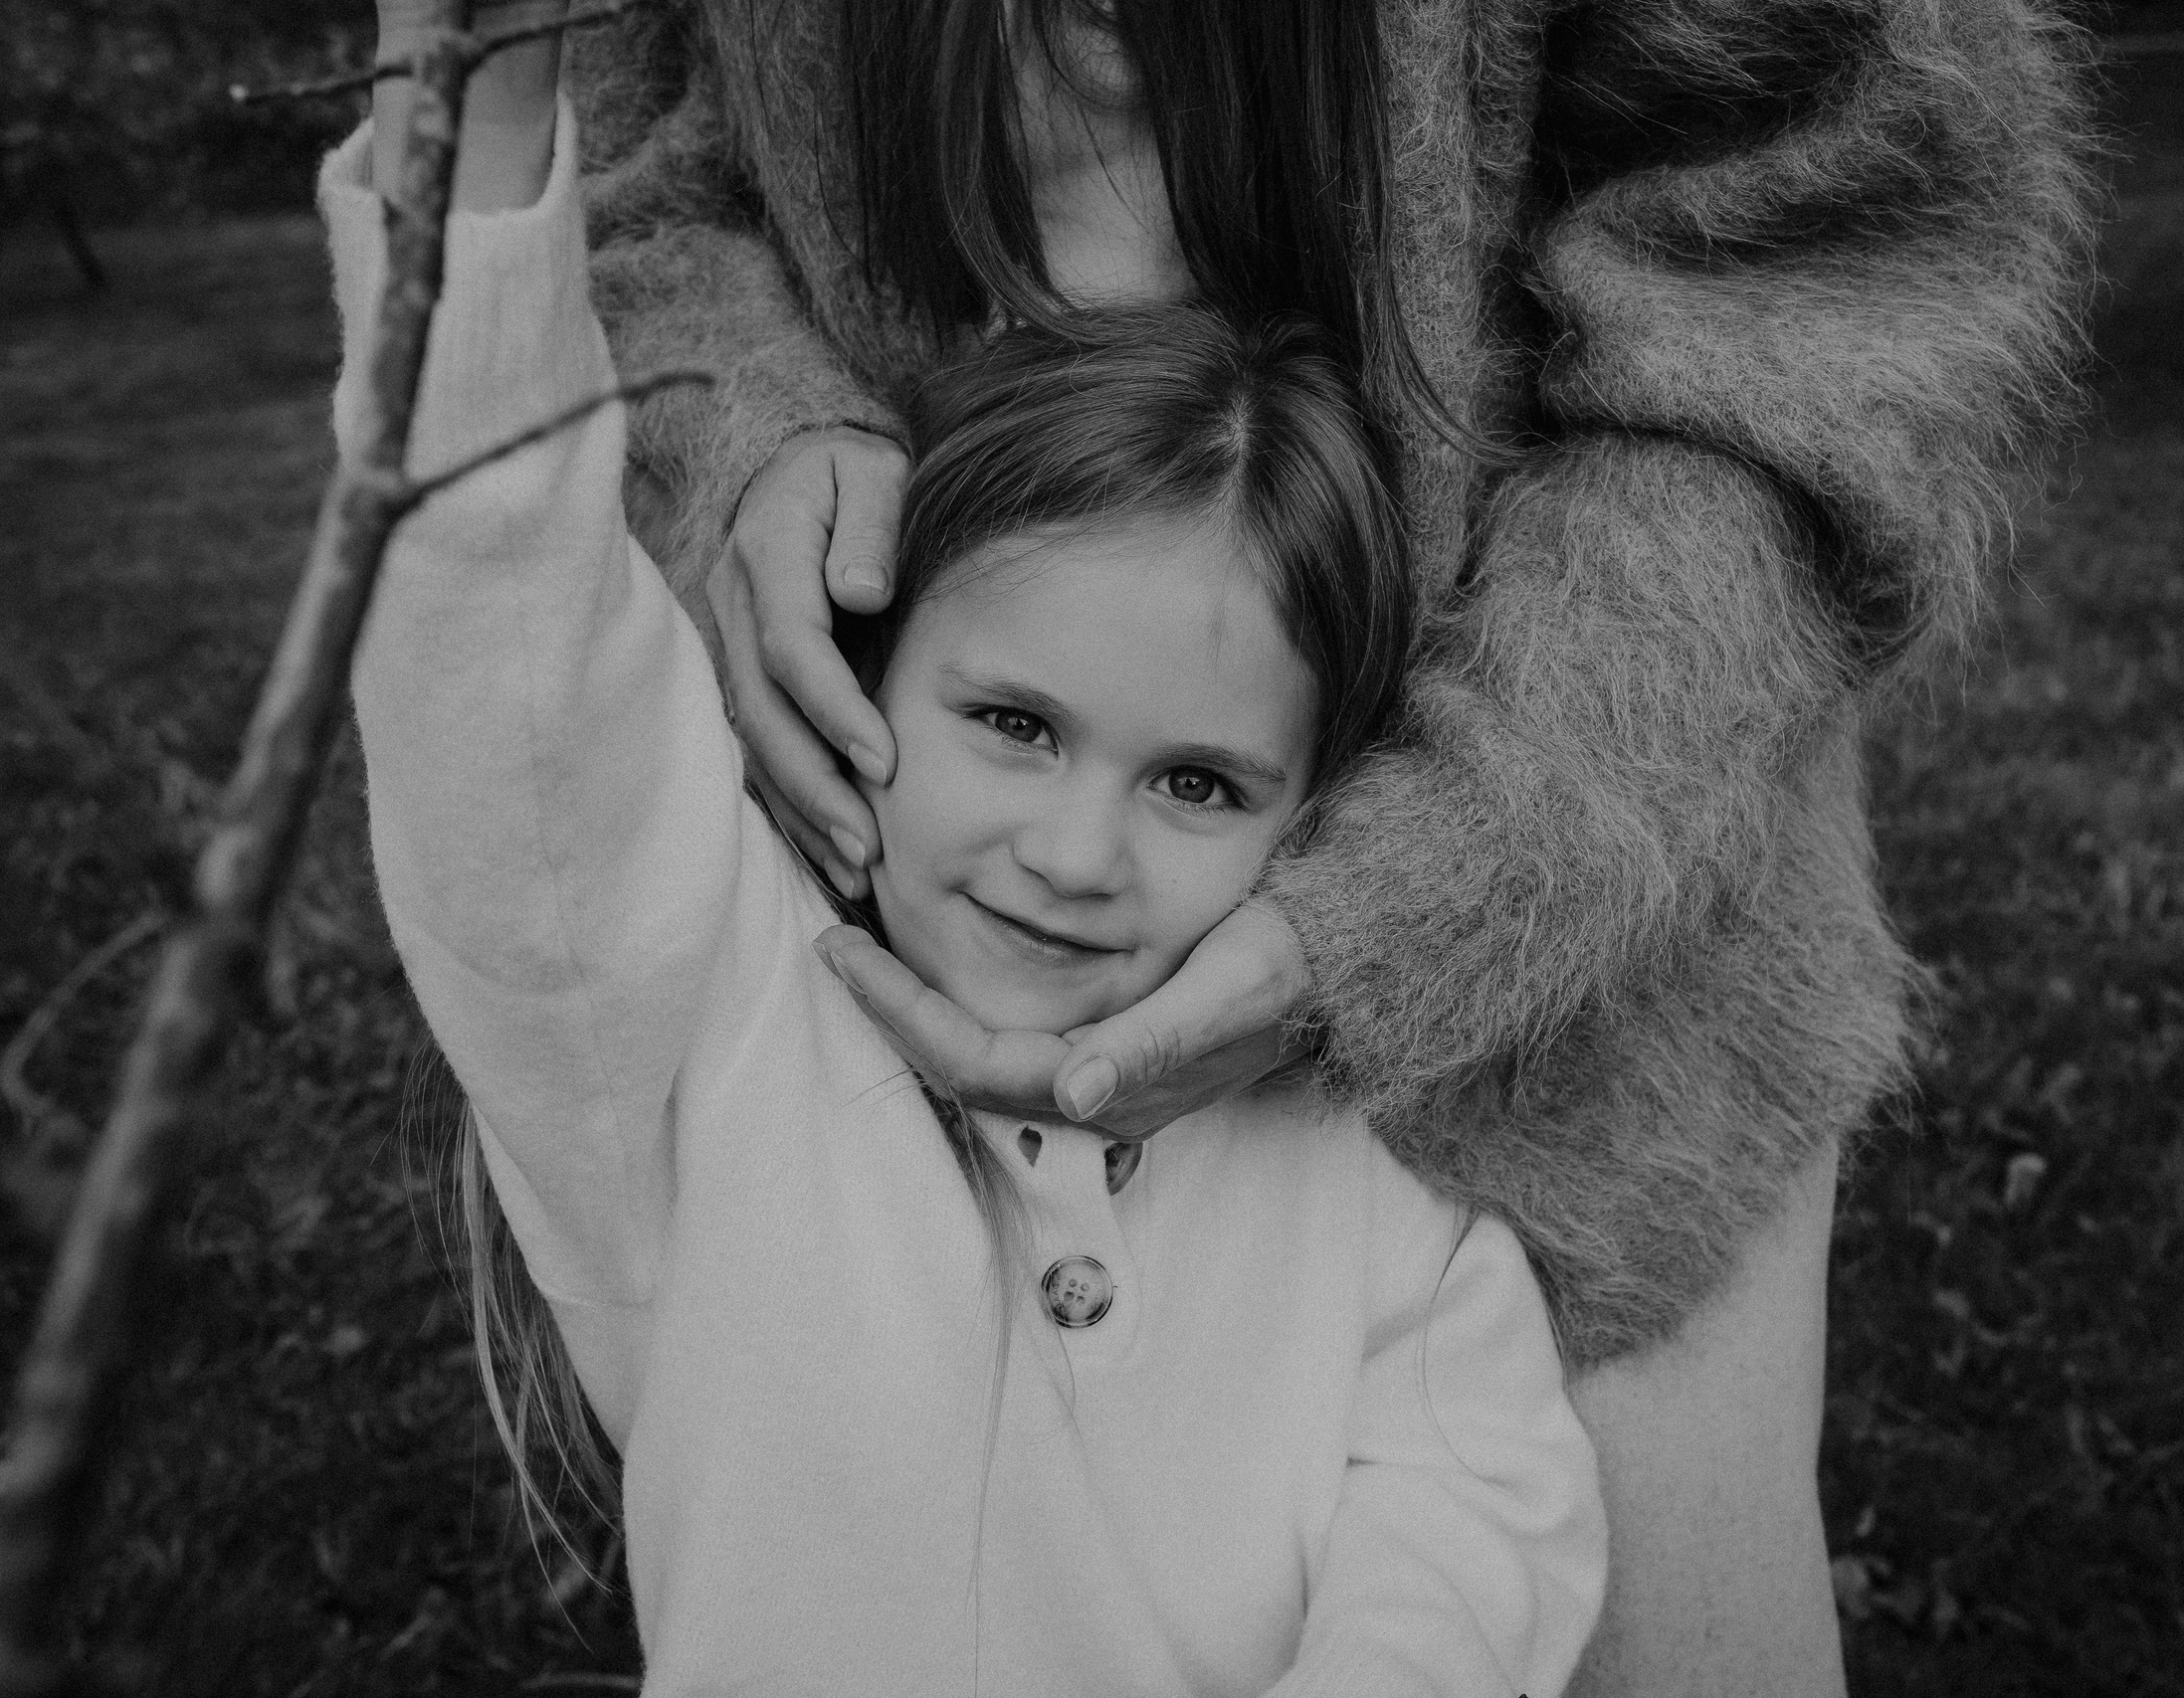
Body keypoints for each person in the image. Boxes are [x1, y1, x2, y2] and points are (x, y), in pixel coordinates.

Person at [563, 0, 2093, 1687]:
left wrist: (1427, 897)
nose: (1083, 854)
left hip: (1597, 975)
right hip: (912, 977)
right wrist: (745, 431)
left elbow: (1825, 305)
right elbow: (624, 166)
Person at [344, 30, 1606, 1691]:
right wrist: (480, 111)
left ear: (1318, 811)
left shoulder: (1378, 1163)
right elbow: (501, 664)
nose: (1078, 855)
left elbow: (1469, 1519)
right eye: (1014, 723)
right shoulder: (695, 1044)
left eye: (1203, 785)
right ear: (863, 666)